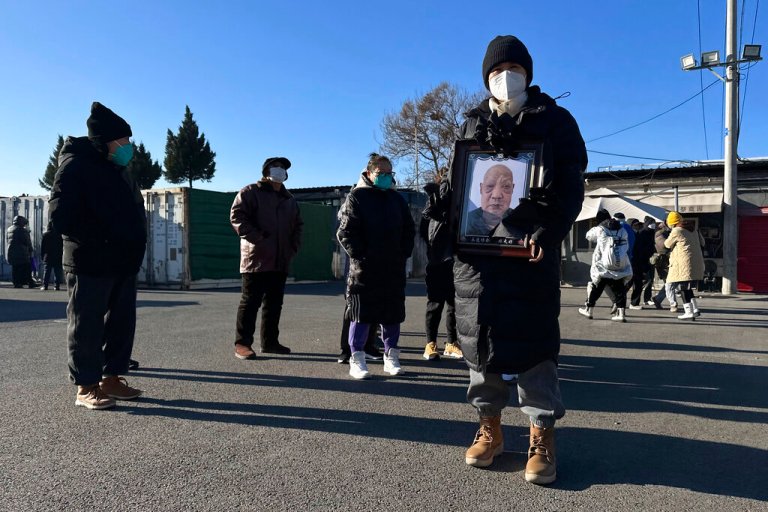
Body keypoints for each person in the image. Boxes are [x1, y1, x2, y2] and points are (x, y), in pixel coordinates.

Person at [430, 36, 587, 485]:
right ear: (486, 78)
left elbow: (571, 188)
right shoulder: (471, 123)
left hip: (530, 255)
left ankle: (541, 434)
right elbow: (460, 181)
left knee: (535, 345)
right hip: (476, 258)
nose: (506, 75)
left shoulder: (556, 121)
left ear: (529, 74)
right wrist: (445, 209)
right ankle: (490, 428)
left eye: (516, 67)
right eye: (498, 70)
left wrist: (548, 229)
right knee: (480, 344)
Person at [49, 102, 147, 410]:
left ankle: (111, 378)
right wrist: (102, 240)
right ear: (103, 140)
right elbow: (61, 218)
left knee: (121, 323)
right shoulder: (75, 165)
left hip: (122, 262)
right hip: (90, 261)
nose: (128, 147)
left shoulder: (119, 169)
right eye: (123, 141)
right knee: (86, 324)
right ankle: (85, 386)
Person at [336, 153, 415, 379]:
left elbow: (409, 230)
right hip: (365, 269)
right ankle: (356, 358)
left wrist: (403, 253)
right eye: (381, 173)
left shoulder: (397, 199)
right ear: (369, 174)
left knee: (392, 314)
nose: (386, 177)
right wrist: (360, 255)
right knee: (361, 314)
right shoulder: (357, 197)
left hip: (393, 267)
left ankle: (391, 357)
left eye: (389, 173)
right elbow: (345, 232)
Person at [230, 157, 303, 359]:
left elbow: (298, 225)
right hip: (256, 257)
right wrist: (258, 238)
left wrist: (292, 247)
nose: (280, 171)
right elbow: (237, 217)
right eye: (276, 167)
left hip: (280, 259)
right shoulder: (250, 192)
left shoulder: (289, 199)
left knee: (274, 303)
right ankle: (242, 344)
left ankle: (270, 342)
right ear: (266, 171)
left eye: (283, 168)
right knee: (250, 302)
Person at [421, 179, 462, 360]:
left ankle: (451, 343)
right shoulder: (434, 205)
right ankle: (430, 344)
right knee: (435, 304)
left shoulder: (460, 205)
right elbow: (425, 228)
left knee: (454, 305)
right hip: (438, 261)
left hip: (455, 260)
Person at [579, 209, 633, 322]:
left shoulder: (600, 229)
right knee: (619, 289)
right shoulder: (622, 229)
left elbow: (588, 236)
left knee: (597, 287)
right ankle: (621, 313)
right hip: (620, 263)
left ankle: (589, 310)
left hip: (603, 264)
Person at [664, 211, 705, 320]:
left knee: (682, 288)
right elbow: (703, 243)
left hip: (683, 263)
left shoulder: (677, 230)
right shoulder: (693, 229)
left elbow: (667, 244)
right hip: (695, 262)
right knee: (687, 287)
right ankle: (695, 309)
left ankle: (688, 311)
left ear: (672, 223)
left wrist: (670, 232)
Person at [465, 164, 520, 239]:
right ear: (481, 188)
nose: (496, 195)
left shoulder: (521, 222)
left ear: (512, 189)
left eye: (506, 187)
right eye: (490, 186)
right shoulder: (465, 222)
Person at [628, 217, 657, 309]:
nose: (637, 226)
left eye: (638, 225)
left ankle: (635, 303)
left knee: (640, 283)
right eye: (635, 225)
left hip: (643, 262)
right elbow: (639, 250)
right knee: (630, 283)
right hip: (634, 261)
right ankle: (618, 301)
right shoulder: (639, 234)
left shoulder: (646, 233)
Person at [5, 215, 35, 288]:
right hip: (21, 252)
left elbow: (7, 240)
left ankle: (17, 283)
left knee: (15, 268)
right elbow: (27, 241)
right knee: (27, 267)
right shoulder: (22, 230)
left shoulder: (9, 229)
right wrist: (31, 250)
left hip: (11, 252)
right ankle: (30, 282)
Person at [40, 221, 64, 291]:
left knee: (47, 271)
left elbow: (43, 247)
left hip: (48, 255)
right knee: (57, 272)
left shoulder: (45, 235)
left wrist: (42, 256)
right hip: (58, 255)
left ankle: (45, 285)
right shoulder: (60, 235)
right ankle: (57, 286)